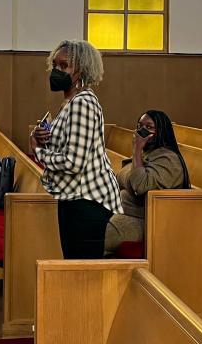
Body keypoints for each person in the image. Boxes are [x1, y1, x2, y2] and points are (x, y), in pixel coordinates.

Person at [30, 40, 122, 259]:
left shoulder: (83, 104)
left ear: (81, 70)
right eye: (55, 65)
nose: (56, 71)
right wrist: (44, 140)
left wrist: (38, 152)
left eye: (64, 66)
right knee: (74, 268)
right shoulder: (71, 103)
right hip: (75, 199)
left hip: (88, 203)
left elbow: (74, 162)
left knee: (82, 274)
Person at [104, 110, 190, 254]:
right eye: (139, 126)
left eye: (149, 127)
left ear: (161, 131)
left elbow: (140, 186)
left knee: (94, 239)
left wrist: (136, 149)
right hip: (122, 211)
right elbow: (122, 177)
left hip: (142, 220)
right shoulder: (148, 153)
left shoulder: (168, 160)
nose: (141, 131)